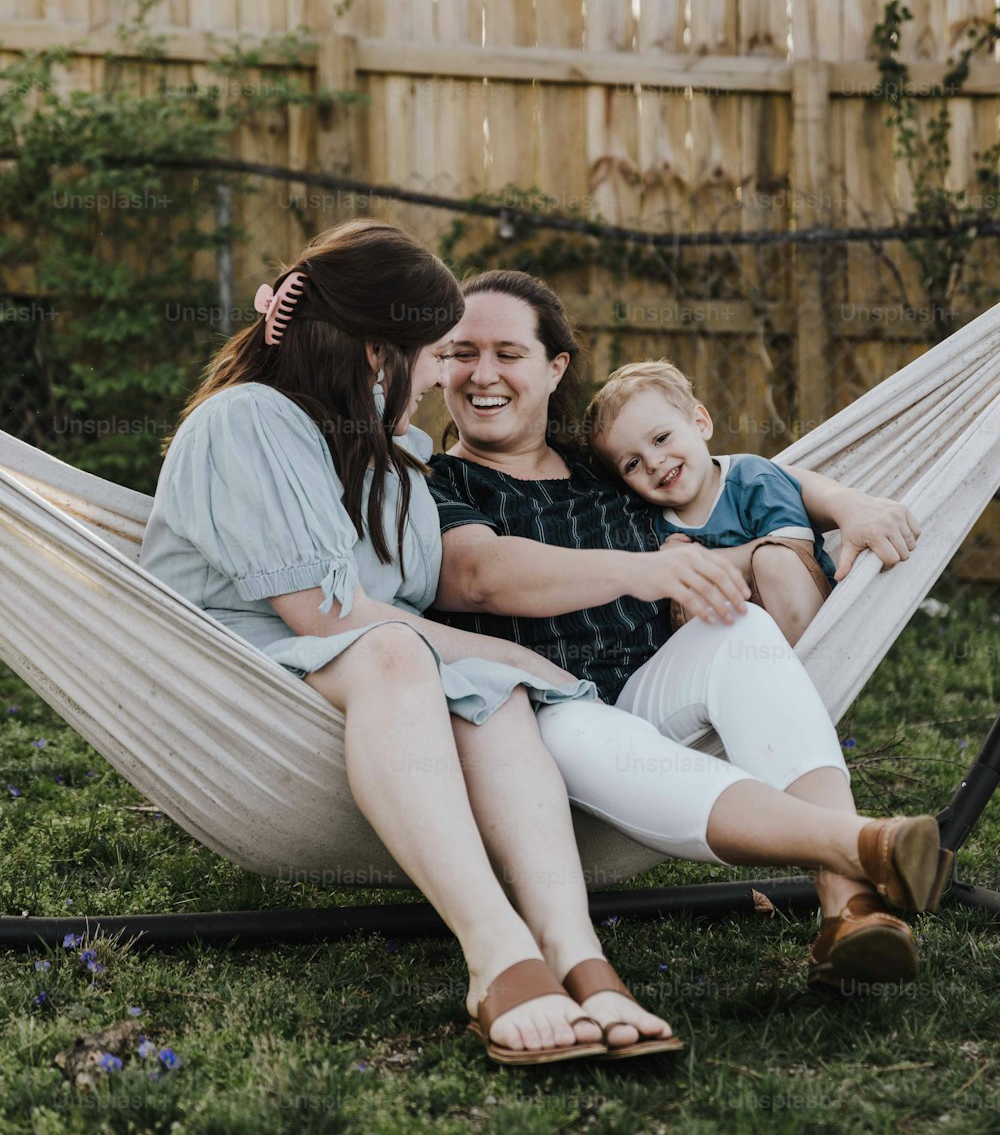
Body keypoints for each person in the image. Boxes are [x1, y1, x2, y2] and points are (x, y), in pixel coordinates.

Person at [142, 219, 697, 1067]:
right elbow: (330, 619)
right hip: (240, 678)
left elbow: (424, 592)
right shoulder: (248, 420)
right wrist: (515, 653)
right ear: (377, 353)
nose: (447, 376)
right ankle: (496, 959)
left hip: (365, 677)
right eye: (438, 353)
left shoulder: (394, 453)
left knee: (487, 688)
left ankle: (582, 958)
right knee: (423, 655)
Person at [427, 268, 947, 992]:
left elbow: (743, 475)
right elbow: (479, 574)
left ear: (555, 368)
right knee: (579, 724)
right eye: (461, 352)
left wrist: (848, 502)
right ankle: (863, 847)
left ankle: (847, 906)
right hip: (532, 715)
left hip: (647, 687)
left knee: (740, 628)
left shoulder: (609, 465)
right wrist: (639, 571)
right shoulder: (434, 481)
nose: (482, 373)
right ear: (439, 365)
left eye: (508, 353)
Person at [582, 358, 835, 646]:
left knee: (772, 558)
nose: (653, 462)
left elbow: (796, 552)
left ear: (700, 423)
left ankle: (810, 675)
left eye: (661, 438)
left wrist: (691, 564)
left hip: (800, 629)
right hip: (731, 654)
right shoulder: (651, 523)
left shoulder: (753, 478)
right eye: (633, 464)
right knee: (688, 599)